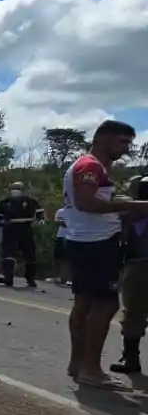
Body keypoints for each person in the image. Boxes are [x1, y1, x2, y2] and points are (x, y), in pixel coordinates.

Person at [63, 120, 148, 389]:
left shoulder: (91, 166)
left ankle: (78, 364)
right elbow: (85, 202)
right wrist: (130, 206)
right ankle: (91, 368)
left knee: (85, 303)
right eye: (122, 142)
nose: (126, 149)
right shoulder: (90, 165)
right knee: (105, 305)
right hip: (96, 243)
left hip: (84, 241)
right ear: (103, 138)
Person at [111, 176, 148, 376]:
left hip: (140, 267)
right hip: (138, 264)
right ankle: (131, 358)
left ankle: (131, 359)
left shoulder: (131, 213)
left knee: (134, 314)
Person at [0, 181, 44, 288]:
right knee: (9, 255)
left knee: (29, 254)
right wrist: (0, 222)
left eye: (17, 188)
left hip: (24, 229)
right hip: (10, 229)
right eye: (14, 188)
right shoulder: (5, 202)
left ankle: (30, 278)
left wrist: (38, 221)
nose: (15, 190)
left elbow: (40, 213)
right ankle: (8, 278)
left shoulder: (30, 202)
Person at [52, 205, 71, 286]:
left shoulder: (77, 211)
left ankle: (70, 279)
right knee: (59, 258)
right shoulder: (61, 211)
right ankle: (61, 277)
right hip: (61, 236)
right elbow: (57, 220)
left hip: (72, 236)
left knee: (70, 259)